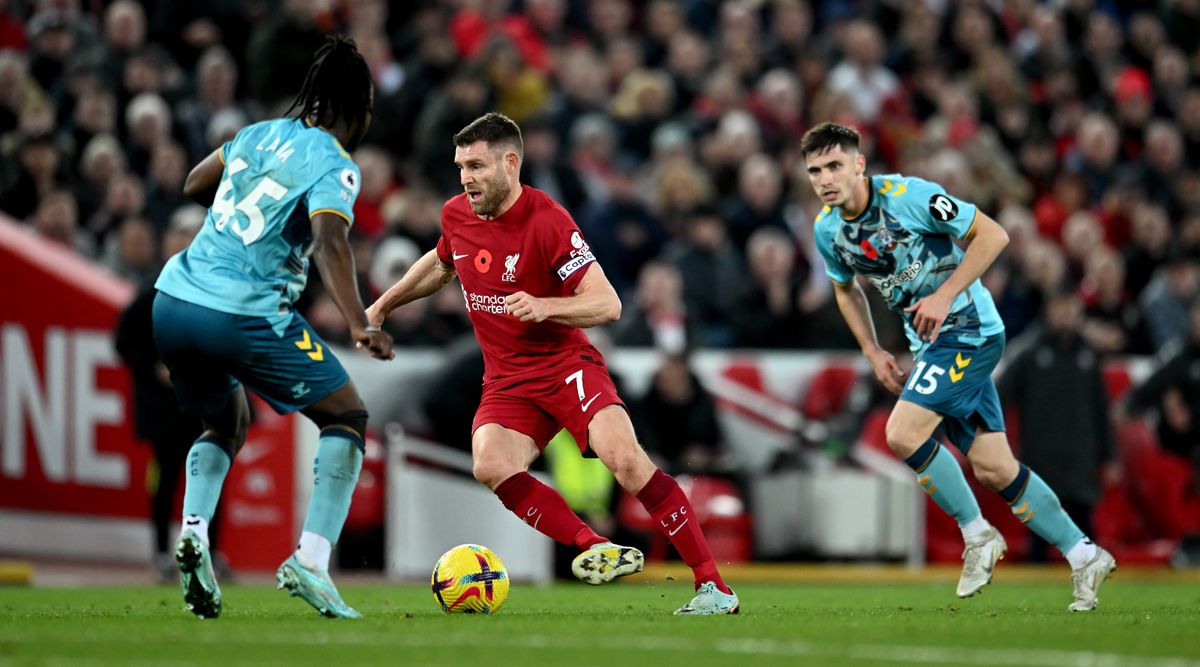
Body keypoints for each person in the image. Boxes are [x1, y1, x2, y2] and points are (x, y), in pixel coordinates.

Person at [368, 112, 738, 615]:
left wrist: (548, 306)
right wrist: (382, 307)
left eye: (476, 166)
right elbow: (440, 264)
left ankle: (713, 586)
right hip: (507, 379)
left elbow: (608, 304)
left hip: (565, 365)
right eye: (461, 167)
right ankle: (593, 545)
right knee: (491, 463)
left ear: (510, 163)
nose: (466, 178)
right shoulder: (457, 215)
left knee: (627, 462)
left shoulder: (548, 220)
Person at [802, 122, 1115, 611]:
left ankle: (978, 535)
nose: (825, 179)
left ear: (859, 165)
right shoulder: (828, 230)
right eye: (815, 170)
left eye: (835, 165)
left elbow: (993, 235)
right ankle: (1085, 555)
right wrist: (871, 349)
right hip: (930, 346)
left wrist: (945, 295)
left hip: (970, 330)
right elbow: (845, 288)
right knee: (994, 468)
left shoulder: (911, 197)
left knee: (903, 433)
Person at [151, 35, 394, 620]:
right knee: (345, 415)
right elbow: (331, 241)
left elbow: (191, 184)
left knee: (224, 420)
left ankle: (194, 534)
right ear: (357, 110)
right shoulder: (336, 163)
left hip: (173, 298)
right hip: (242, 311)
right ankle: (311, 561)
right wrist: (359, 321)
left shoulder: (256, 133)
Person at [115, 208, 216, 582]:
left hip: (200, 406)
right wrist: (155, 368)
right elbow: (124, 342)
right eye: (181, 237)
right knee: (167, 480)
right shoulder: (154, 294)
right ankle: (161, 551)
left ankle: (207, 550)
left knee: (207, 477)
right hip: (165, 411)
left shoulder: (211, 291)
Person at [997, 289, 1118, 562]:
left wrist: (1108, 456)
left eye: (1070, 308)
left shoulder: (1088, 355)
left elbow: (1101, 409)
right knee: (1039, 530)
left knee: (1085, 528)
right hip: (1041, 456)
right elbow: (1000, 397)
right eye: (1060, 308)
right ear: (1048, 311)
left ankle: (1092, 580)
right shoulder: (1029, 353)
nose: (1065, 315)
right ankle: (1035, 595)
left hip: (1081, 457)